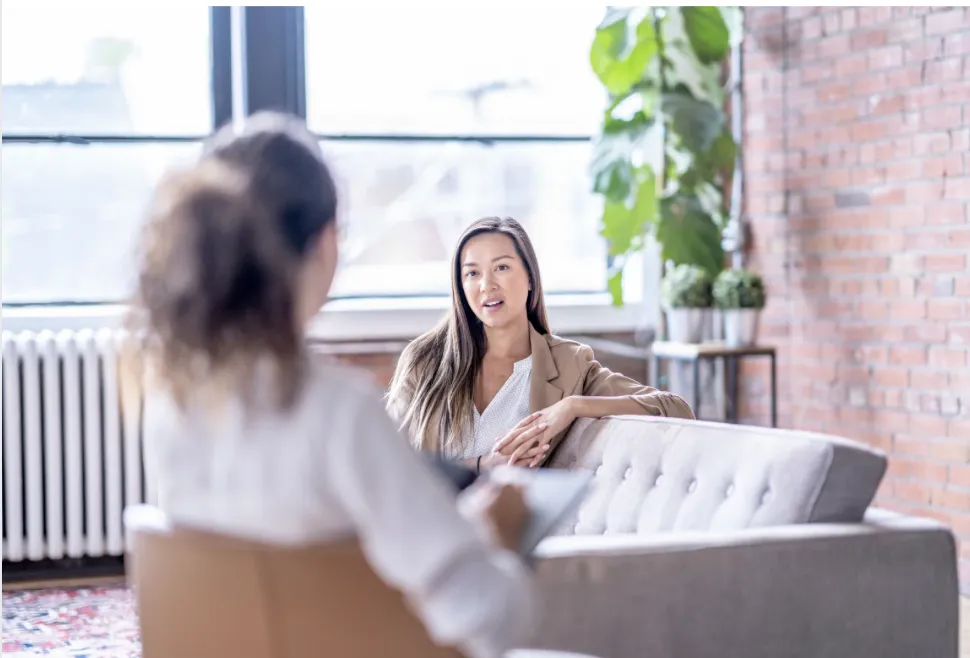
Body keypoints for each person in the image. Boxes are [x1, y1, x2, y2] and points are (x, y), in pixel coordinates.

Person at [128, 112, 535, 658]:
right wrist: (491, 535)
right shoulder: (338, 411)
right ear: (324, 243)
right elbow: (490, 618)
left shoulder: (171, 402)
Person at [387, 217, 695, 471]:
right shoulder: (424, 360)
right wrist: (484, 465)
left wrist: (573, 405)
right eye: (472, 273)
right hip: (432, 530)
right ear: (461, 286)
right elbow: (386, 464)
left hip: (519, 534)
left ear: (530, 277)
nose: (487, 284)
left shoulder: (568, 364)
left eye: (502, 267)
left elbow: (676, 409)